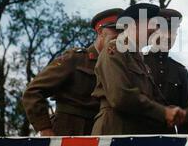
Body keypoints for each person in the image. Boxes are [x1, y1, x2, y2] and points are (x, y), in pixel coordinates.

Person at [22, 8, 123, 136]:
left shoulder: (119, 65)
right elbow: (33, 92)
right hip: (69, 131)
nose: (120, 35)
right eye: (116, 30)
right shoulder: (76, 59)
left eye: (124, 31)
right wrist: (45, 129)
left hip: (105, 133)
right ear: (100, 32)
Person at [91, 3, 185, 135]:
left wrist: (172, 112)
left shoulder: (137, 57)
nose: (154, 30)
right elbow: (121, 96)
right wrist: (164, 112)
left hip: (131, 131)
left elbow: (152, 97)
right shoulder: (115, 49)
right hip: (114, 130)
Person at [144, 8, 188, 134]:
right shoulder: (138, 62)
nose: (169, 36)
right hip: (138, 134)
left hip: (169, 140)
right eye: (165, 31)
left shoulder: (180, 71)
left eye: (174, 32)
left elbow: (185, 118)